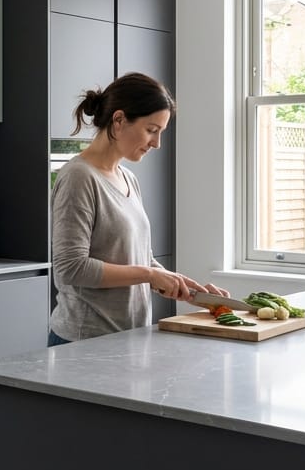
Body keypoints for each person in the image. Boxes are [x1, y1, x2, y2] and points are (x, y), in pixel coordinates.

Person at [48, 72, 228, 345]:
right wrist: (149, 274)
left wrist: (188, 288)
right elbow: (70, 268)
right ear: (119, 120)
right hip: (84, 343)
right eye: (151, 130)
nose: (157, 143)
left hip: (129, 339)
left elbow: (140, 258)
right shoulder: (79, 177)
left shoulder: (128, 178)